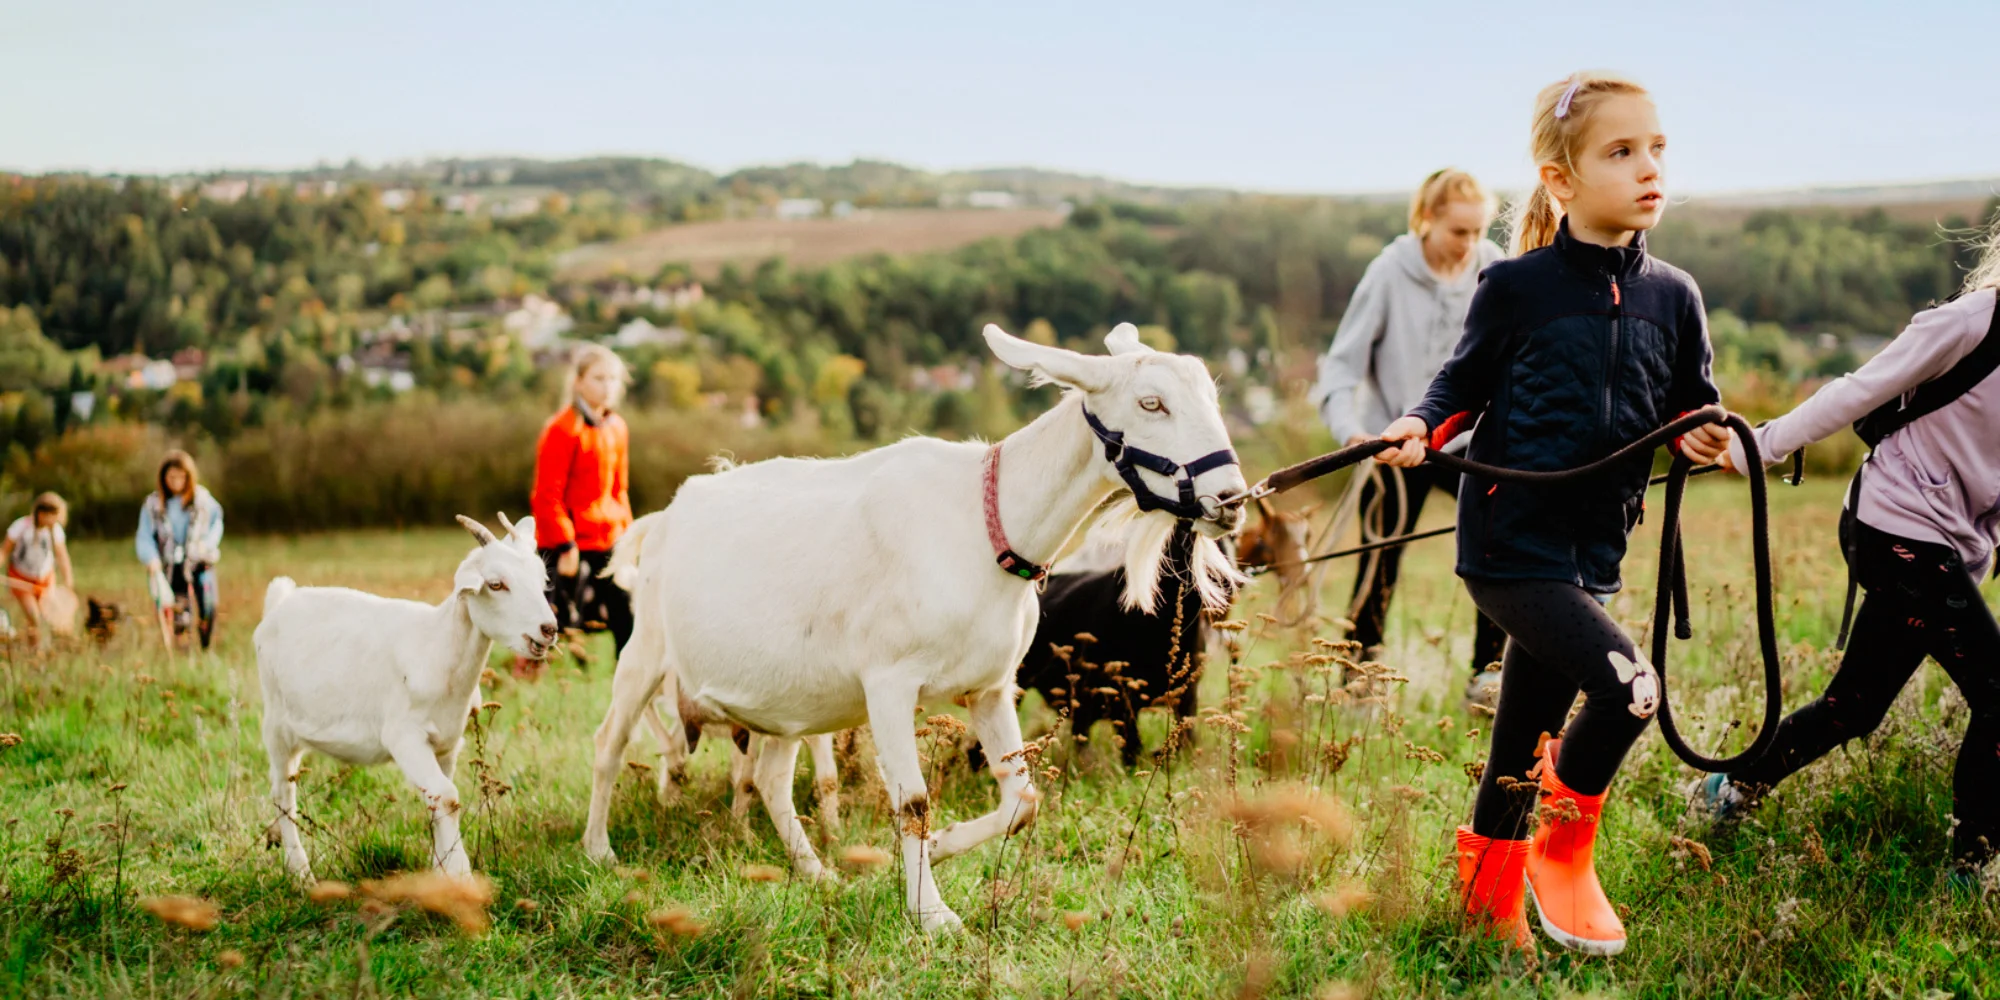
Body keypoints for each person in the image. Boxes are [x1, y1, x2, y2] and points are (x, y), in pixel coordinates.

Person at [1378, 72, 1730, 954]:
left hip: (1592, 554)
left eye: (1657, 148)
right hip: (1508, 545)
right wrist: (1421, 424)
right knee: (1630, 690)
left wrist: (1704, 437)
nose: (1650, 168)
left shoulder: (1675, 297)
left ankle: (1482, 902)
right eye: (1621, 152)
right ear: (1560, 180)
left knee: (1518, 746)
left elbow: (1695, 404)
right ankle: (1561, 856)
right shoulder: (1518, 288)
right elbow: (1462, 384)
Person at [1699, 219, 2000, 884]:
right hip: (1896, 525)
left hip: (1952, 549)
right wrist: (1760, 447)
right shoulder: (1971, 322)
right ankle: (1971, 867)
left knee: (1855, 707)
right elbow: (1857, 389)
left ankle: (1732, 789)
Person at [1311, 168, 1509, 703]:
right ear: (1426, 219)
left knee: (1498, 546)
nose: (1470, 244)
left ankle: (1488, 677)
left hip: (1468, 445)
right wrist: (1352, 433)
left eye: (1478, 231)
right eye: (1458, 232)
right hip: (1393, 442)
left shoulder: (1494, 269)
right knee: (1379, 560)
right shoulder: (1388, 272)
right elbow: (1342, 365)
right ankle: (1358, 683)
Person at [530, 344, 635, 675]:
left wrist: (631, 540)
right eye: (598, 378)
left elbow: (620, 489)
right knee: (549, 622)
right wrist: (566, 544)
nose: (607, 386)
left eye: (613, 379)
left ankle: (629, 677)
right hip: (569, 543)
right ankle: (526, 682)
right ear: (578, 381)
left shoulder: (618, 427)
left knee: (625, 614)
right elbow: (546, 494)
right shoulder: (561, 429)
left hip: (610, 539)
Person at [137, 450, 225, 650]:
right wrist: (150, 558)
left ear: (189, 476)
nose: (176, 481)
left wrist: (207, 545)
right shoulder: (153, 504)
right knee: (178, 608)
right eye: (171, 477)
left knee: (208, 606)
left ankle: (205, 646)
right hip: (171, 565)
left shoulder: (202, 499)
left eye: (181, 477)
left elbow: (216, 524)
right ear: (164, 477)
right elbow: (144, 535)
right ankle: (183, 649)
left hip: (200, 561)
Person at [5, 493, 75, 648]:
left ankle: (42, 649)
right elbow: (4, 551)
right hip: (21, 578)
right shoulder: (21, 527)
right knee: (33, 616)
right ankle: (35, 650)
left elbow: (62, 556)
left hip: (44, 579)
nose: (56, 521)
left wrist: (68, 581)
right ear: (42, 514)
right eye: (53, 516)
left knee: (46, 617)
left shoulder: (55, 531)